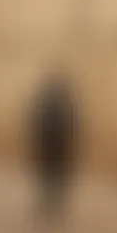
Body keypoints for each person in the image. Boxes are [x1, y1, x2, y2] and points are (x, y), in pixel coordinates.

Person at [28, 72, 78, 222]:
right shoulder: (63, 104)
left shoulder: (48, 104)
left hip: (52, 150)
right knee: (53, 179)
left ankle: (50, 205)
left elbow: (37, 127)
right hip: (56, 149)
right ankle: (52, 206)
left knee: (50, 178)